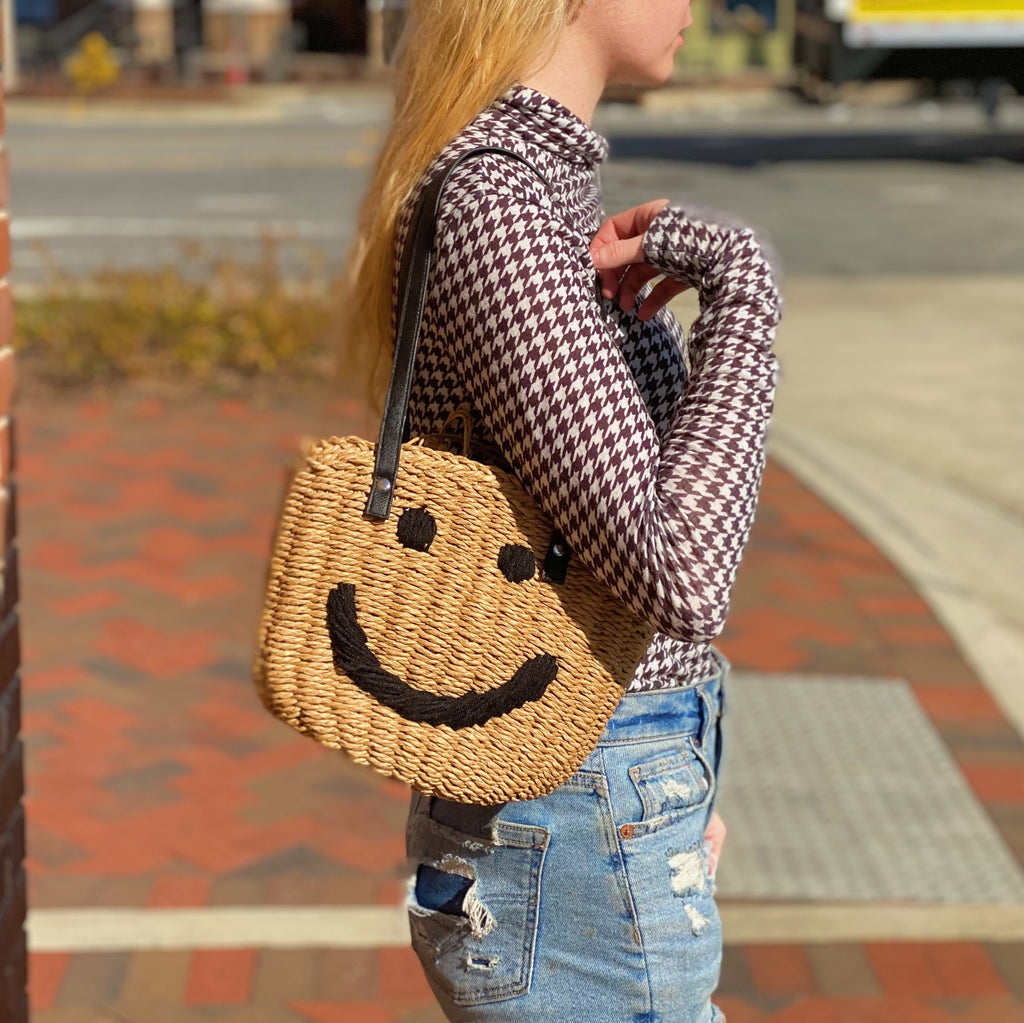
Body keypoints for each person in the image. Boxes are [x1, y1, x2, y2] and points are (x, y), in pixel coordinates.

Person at [340, 0, 781, 1018]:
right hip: (577, 800)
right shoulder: (499, 205)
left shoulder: (528, 196)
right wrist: (743, 304)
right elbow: (679, 571)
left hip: (597, 795)